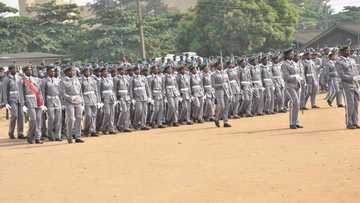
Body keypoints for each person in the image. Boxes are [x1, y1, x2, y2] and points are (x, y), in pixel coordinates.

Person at [21, 65, 47, 144]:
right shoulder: (22, 81)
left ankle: (37, 138)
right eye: (28, 70)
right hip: (29, 101)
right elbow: (21, 93)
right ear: (24, 71)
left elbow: (39, 91)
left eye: (31, 70)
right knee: (33, 120)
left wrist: (42, 103)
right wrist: (23, 105)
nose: (30, 71)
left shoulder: (35, 79)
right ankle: (30, 135)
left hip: (38, 101)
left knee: (39, 120)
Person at [336, 46, 360, 129]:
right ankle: (349, 123)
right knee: (350, 104)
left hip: (355, 84)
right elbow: (341, 75)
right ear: (342, 52)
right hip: (346, 85)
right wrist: (351, 78)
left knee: (356, 104)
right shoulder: (339, 62)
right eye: (347, 51)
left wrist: (357, 78)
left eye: (349, 50)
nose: (349, 52)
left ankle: (355, 122)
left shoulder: (352, 60)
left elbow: (356, 71)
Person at [60, 65, 85, 143]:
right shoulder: (63, 81)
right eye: (72, 71)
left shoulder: (77, 80)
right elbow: (62, 93)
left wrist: (82, 101)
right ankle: (69, 136)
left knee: (79, 118)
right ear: (67, 72)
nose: (73, 72)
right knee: (71, 119)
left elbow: (80, 92)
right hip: (69, 101)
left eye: (74, 71)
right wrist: (70, 98)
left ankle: (78, 136)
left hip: (78, 101)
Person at [281, 49, 303, 129]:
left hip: (297, 85)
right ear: (286, 55)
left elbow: (298, 73)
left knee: (297, 104)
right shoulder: (284, 65)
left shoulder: (294, 63)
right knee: (294, 103)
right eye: (290, 54)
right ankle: (291, 123)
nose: (292, 55)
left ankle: (296, 121)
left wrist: (300, 78)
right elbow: (286, 77)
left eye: (293, 54)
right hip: (290, 86)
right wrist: (295, 77)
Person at [2, 65, 25, 139]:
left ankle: (20, 133)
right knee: (14, 116)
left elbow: (23, 87)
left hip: (19, 99)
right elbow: (4, 92)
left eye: (16, 69)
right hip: (12, 99)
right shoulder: (6, 79)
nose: (15, 70)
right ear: (10, 70)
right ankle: (11, 132)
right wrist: (6, 103)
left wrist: (23, 100)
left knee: (21, 116)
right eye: (14, 69)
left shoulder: (19, 78)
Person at [43, 64, 62, 141]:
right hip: (49, 100)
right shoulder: (44, 81)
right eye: (51, 71)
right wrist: (44, 104)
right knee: (51, 118)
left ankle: (58, 136)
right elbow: (43, 92)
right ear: (48, 72)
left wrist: (62, 102)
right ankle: (50, 135)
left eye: (54, 71)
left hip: (57, 100)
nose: (53, 73)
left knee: (58, 118)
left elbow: (60, 92)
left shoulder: (57, 80)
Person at [130, 66, 151, 130]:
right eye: (136, 70)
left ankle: (143, 125)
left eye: (138, 70)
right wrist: (132, 98)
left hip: (144, 95)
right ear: (134, 71)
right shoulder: (132, 79)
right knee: (139, 110)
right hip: (137, 96)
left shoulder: (143, 77)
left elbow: (147, 87)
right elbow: (131, 89)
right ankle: (135, 123)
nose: (138, 71)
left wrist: (149, 96)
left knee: (145, 111)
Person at [81, 66, 100, 137]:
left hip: (93, 98)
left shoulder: (93, 79)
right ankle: (86, 129)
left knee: (94, 115)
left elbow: (96, 90)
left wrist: (98, 100)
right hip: (86, 99)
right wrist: (82, 102)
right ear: (83, 73)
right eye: (86, 71)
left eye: (89, 71)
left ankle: (93, 130)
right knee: (88, 115)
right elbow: (81, 92)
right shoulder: (81, 80)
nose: (88, 73)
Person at [212, 62, 232, 128]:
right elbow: (213, 85)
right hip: (219, 91)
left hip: (226, 90)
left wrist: (230, 91)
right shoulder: (214, 74)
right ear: (216, 66)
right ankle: (216, 118)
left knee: (226, 106)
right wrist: (221, 85)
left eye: (221, 64)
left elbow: (228, 82)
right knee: (222, 106)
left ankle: (225, 122)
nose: (221, 65)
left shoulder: (224, 73)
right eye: (219, 65)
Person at [99, 67, 116, 134]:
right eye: (104, 72)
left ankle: (111, 129)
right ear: (102, 73)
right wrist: (100, 100)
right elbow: (99, 90)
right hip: (105, 97)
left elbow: (113, 89)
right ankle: (103, 127)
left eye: (106, 71)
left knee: (112, 113)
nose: (106, 73)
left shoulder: (110, 79)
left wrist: (114, 97)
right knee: (107, 113)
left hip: (111, 97)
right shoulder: (100, 80)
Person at [115, 66, 132, 132]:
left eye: (123, 70)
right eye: (121, 70)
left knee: (127, 111)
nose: (122, 71)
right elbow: (115, 89)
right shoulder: (116, 78)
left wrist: (130, 96)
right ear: (118, 71)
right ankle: (119, 124)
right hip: (121, 95)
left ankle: (126, 127)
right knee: (124, 110)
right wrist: (116, 97)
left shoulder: (126, 78)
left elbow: (129, 88)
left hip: (127, 95)